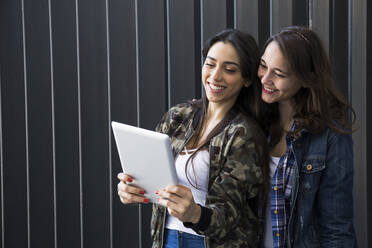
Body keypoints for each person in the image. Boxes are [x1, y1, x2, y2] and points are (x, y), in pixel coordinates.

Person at [117, 29, 270, 248]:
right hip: (167, 237)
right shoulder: (179, 116)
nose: (215, 76)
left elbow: (228, 215)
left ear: (246, 79)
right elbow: (153, 178)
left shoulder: (243, 134)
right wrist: (132, 188)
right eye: (210, 64)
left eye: (229, 69)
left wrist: (194, 213)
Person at [258, 26, 358, 248]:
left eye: (279, 74)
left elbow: (336, 227)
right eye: (263, 66)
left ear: (306, 79)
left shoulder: (330, 136)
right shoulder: (254, 124)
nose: (265, 79)